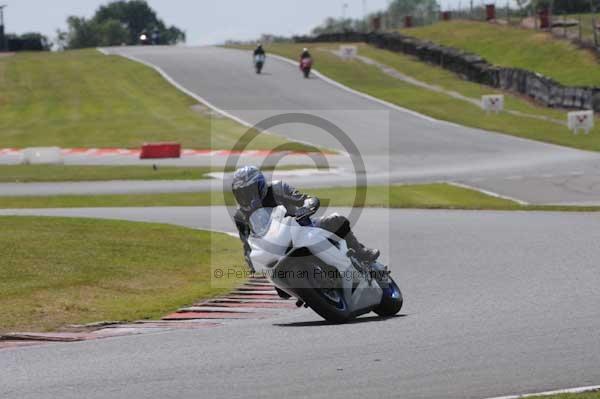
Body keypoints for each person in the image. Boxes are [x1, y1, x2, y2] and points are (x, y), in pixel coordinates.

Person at [232, 166, 380, 273]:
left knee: (337, 220)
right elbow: (247, 244)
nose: (247, 197)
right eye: (242, 193)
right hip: (276, 249)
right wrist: (251, 266)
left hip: (303, 228)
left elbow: (304, 199)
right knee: (280, 289)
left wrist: (308, 205)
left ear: (260, 186)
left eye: (250, 191)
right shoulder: (241, 216)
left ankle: (361, 252)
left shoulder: (277, 189)